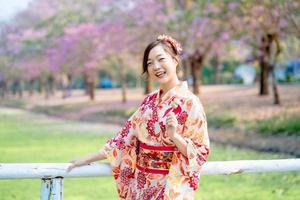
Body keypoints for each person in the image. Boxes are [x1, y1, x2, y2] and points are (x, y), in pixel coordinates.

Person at [66, 34, 210, 200]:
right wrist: (85, 159)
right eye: (150, 63)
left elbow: (201, 152)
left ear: (175, 60)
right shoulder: (149, 101)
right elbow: (122, 140)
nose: (156, 67)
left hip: (170, 187)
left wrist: (175, 137)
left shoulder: (190, 103)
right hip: (142, 187)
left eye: (161, 59)